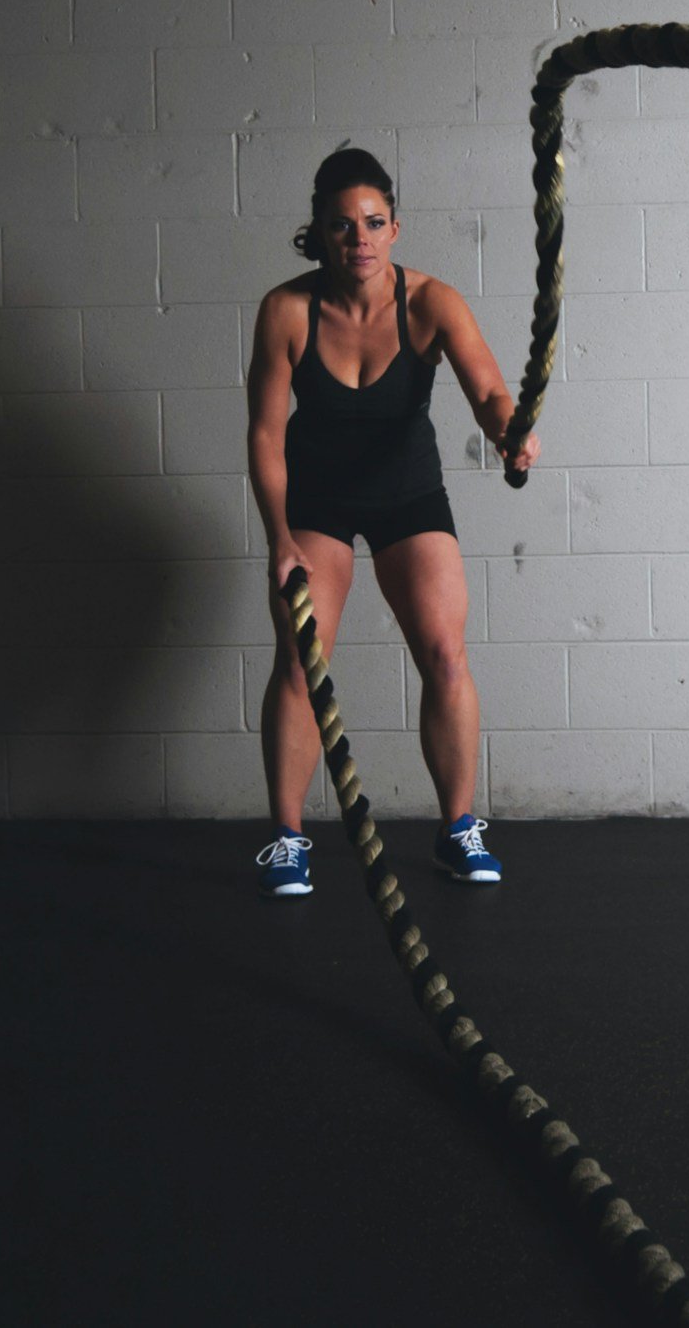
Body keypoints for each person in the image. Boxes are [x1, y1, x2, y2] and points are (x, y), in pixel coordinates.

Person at [246, 146, 541, 897]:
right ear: (320, 230)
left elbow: (489, 392)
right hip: (318, 501)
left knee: (446, 653)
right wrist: (279, 539)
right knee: (300, 660)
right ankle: (286, 838)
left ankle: (458, 828)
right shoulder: (286, 310)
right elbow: (266, 434)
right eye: (343, 225)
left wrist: (511, 429)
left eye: (374, 222)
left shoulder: (432, 302)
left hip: (408, 496)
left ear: (396, 229)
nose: (360, 239)